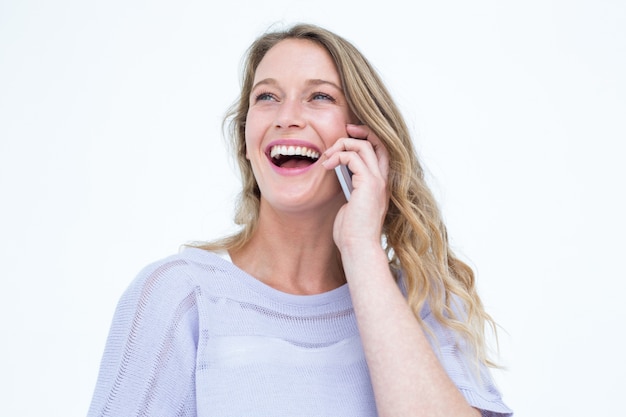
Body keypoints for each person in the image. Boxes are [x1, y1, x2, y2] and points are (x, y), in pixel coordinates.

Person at [87, 23, 512, 417]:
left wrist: (362, 251)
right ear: (246, 143)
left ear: (363, 137)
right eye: (266, 97)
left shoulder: (424, 301)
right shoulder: (179, 296)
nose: (286, 116)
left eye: (320, 96)